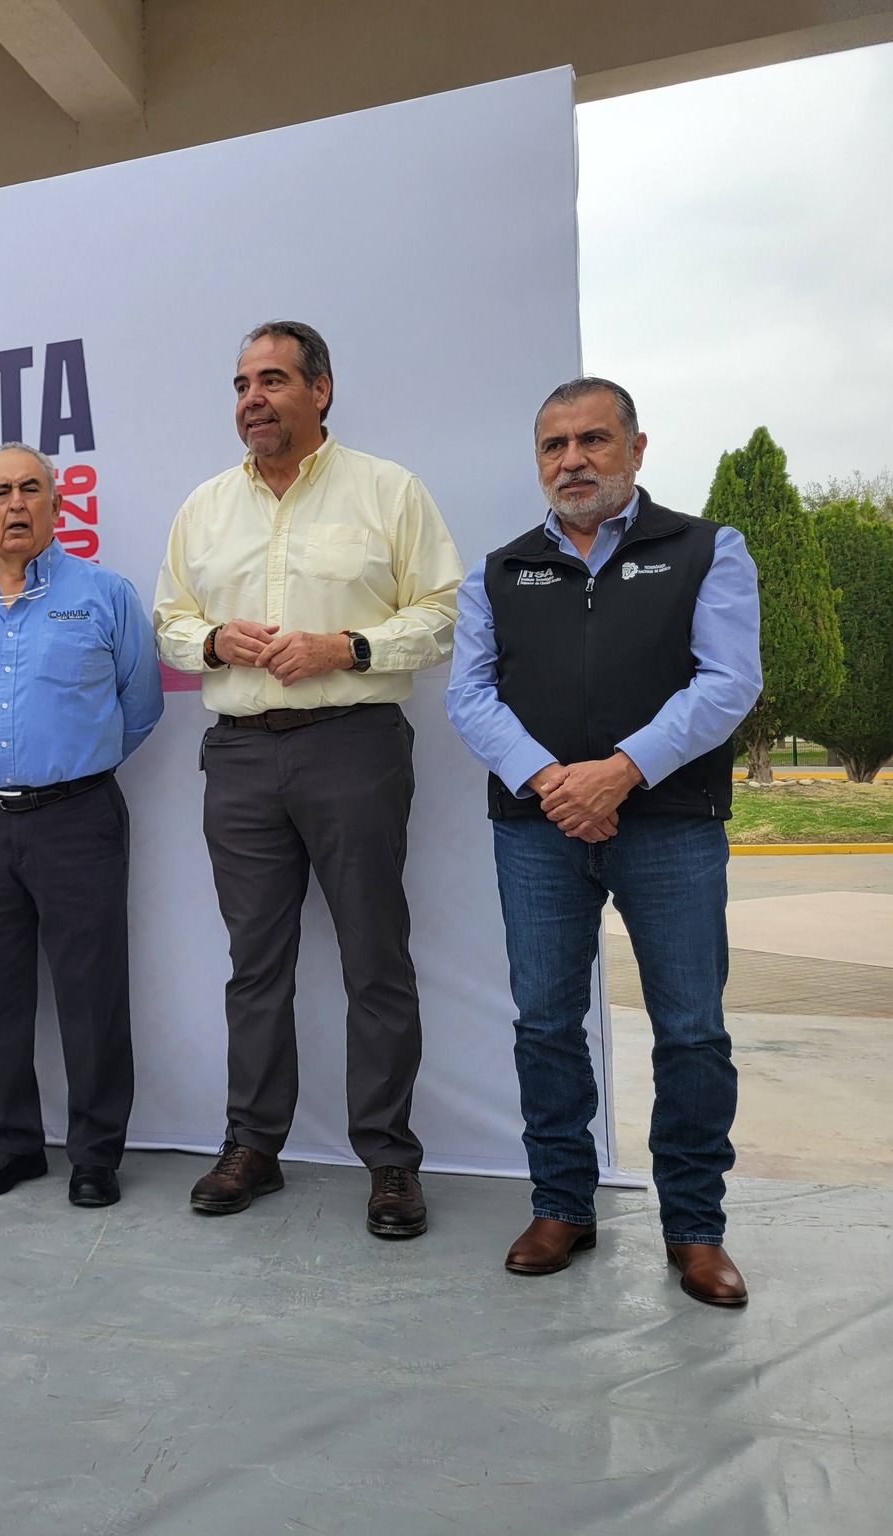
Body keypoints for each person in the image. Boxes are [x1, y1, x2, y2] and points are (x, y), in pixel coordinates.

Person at [446, 377, 761, 1306]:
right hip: (538, 832)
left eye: (592, 440)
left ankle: (695, 1228)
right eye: (555, 445)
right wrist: (555, 783)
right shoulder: (499, 572)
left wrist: (620, 771)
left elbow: (728, 681)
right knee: (546, 1026)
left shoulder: (706, 549)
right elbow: (470, 697)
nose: (573, 461)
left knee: (692, 1031)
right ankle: (561, 1205)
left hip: (672, 827)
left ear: (636, 447)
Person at [152, 320, 462, 1240]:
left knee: (376, 959)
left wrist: (349, 648)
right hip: (241, 756)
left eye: (274, 380)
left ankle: (391, 1161)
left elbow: (444, 614)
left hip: (353, 747)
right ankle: (253, 1145)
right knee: (256, 966)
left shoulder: (388, 490)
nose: (253, 399)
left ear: (319, 390)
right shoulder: (205, 506)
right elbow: (170, 621)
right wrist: (213, 640)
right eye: (242, 384)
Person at [0, 443, 162, 1209]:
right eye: (0, 492)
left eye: (32, 489)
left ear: (58, 506)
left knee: (91, 993)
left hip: (77, 817)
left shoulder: (104, 594)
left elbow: (140, 704)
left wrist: (73, 765)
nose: (17, 504)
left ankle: (95, 1154)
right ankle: (10, 1146)